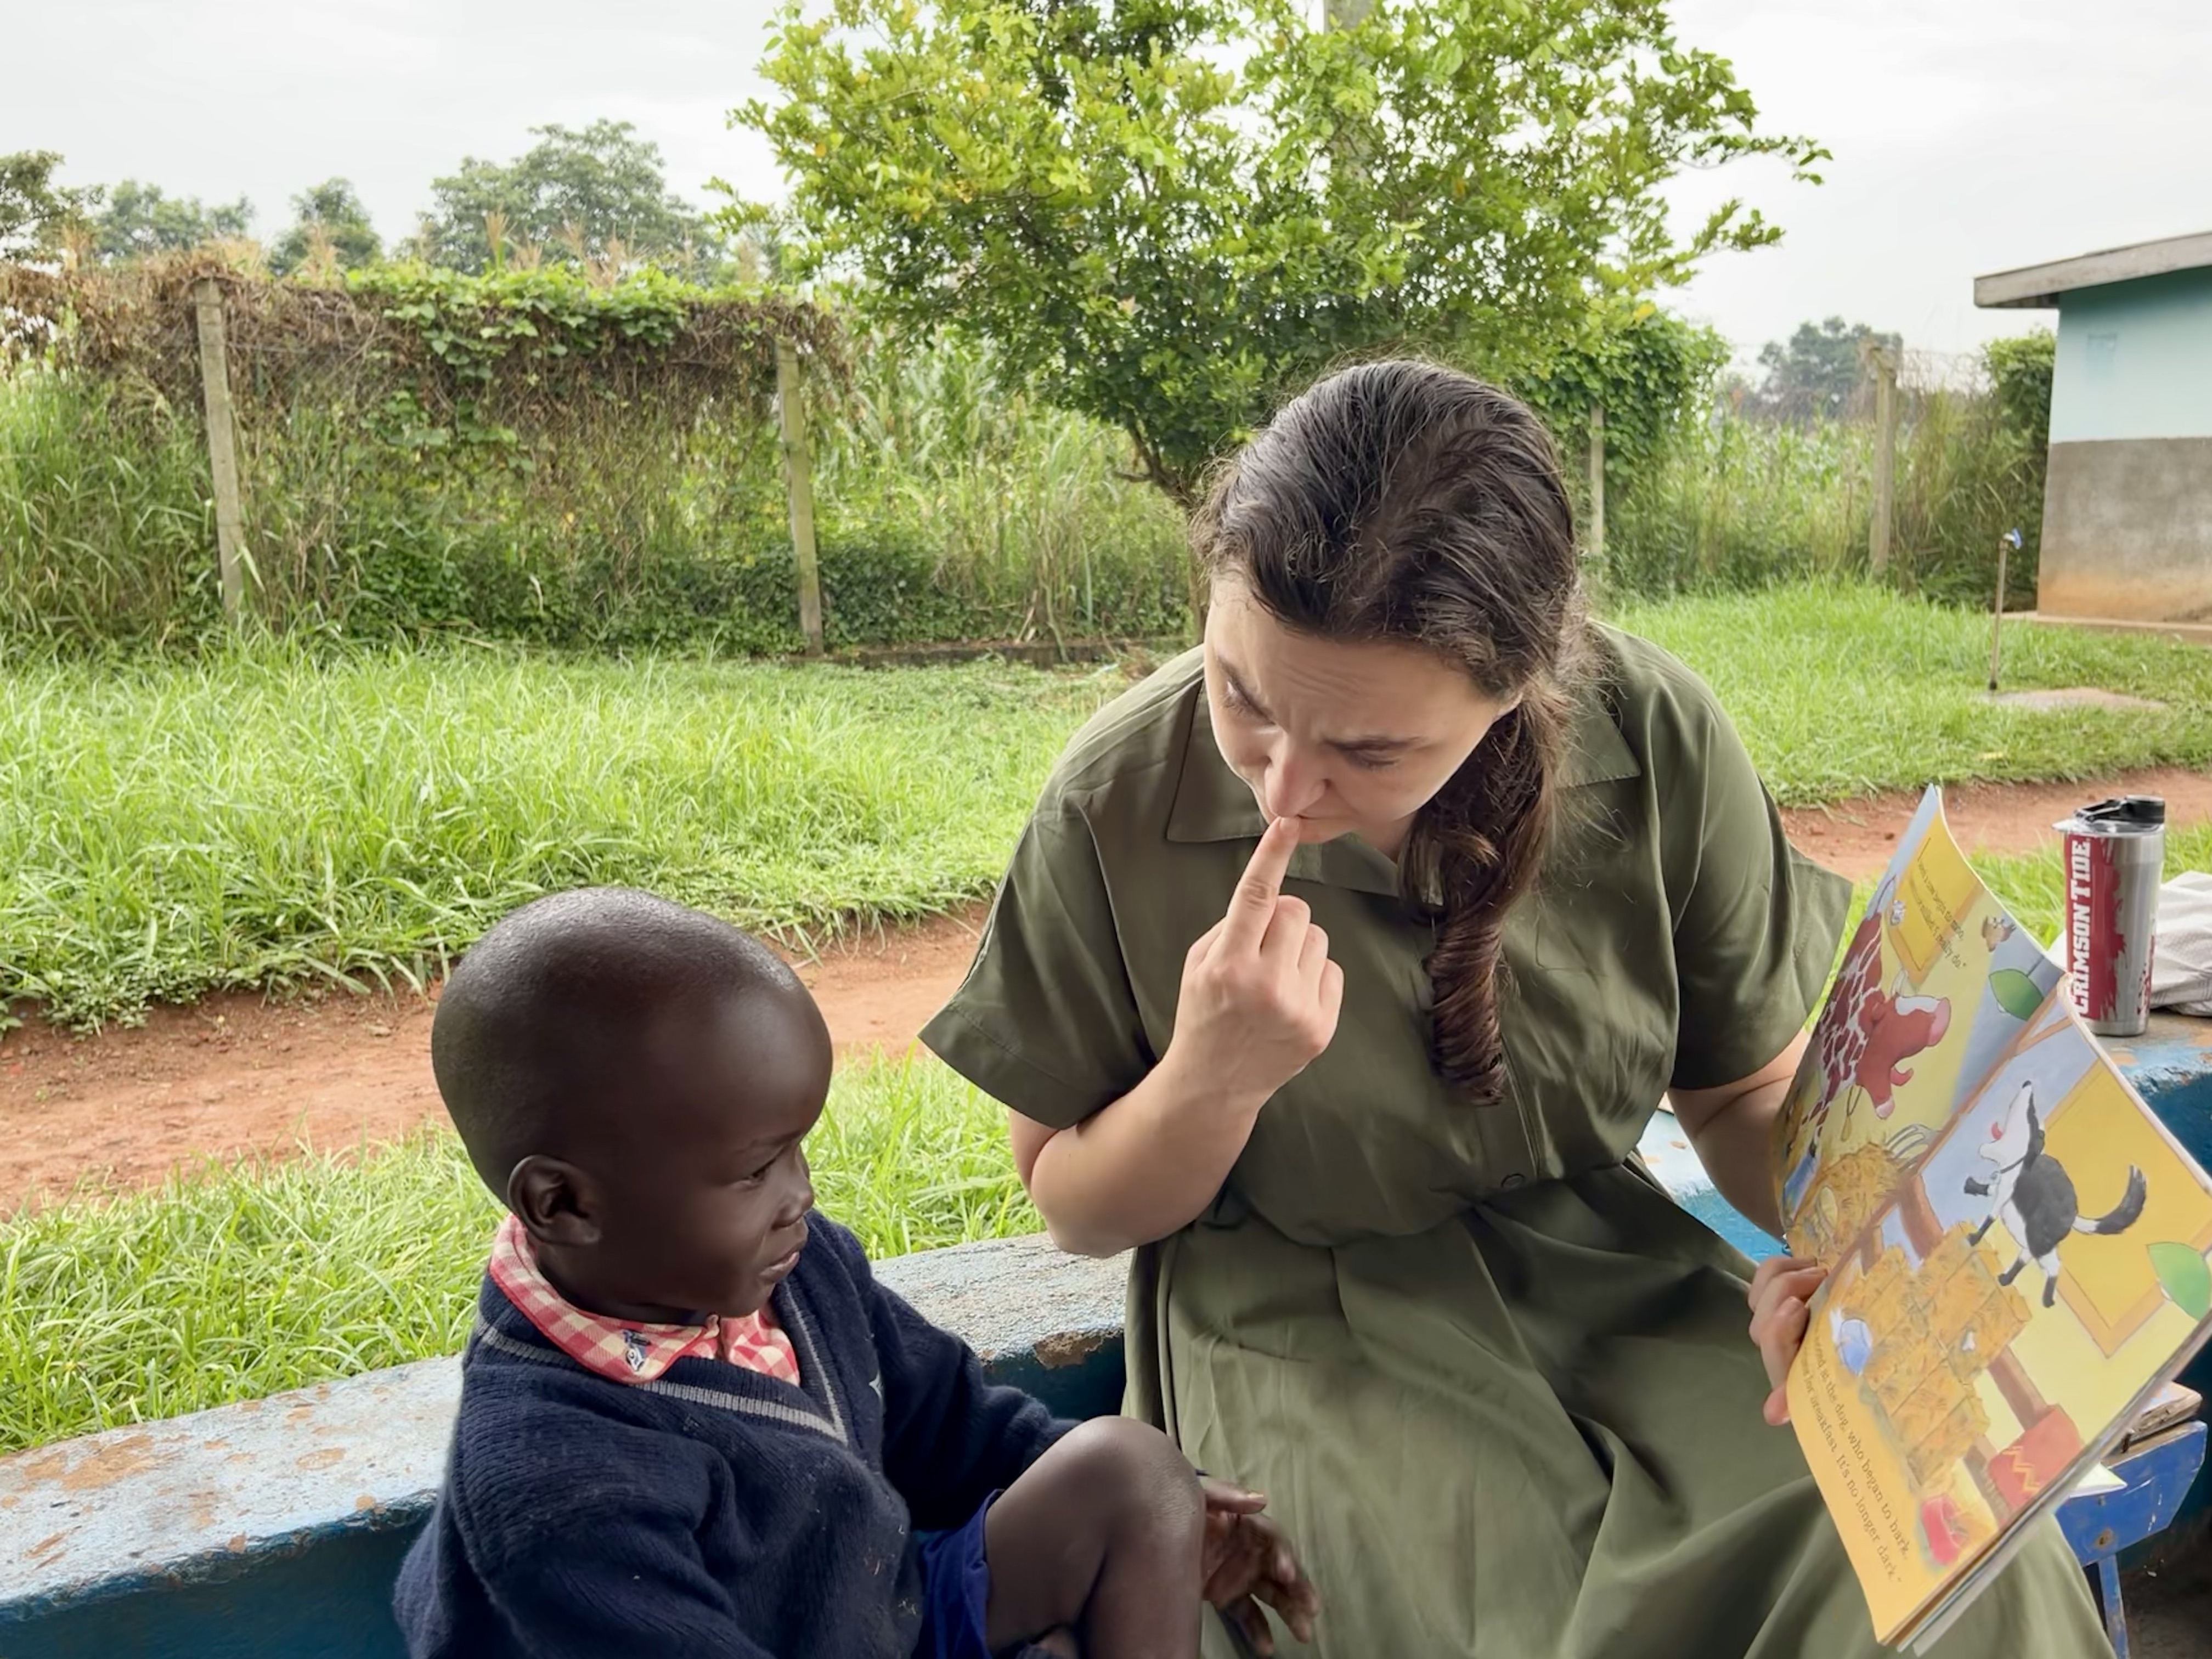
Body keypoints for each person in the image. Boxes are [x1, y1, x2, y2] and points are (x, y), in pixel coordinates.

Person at [919, 361, 2112, 1657]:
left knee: (1947, 1568)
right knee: (1521, 1611)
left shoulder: (1651, 735)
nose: (1284, 788)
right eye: (1243, 699)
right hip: (1300, 1328)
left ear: (1521, 687)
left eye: (1372, 754)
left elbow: (1735, 1097)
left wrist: (1884, 1245)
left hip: (1620, 1285)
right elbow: (1074, 1206)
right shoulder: (1115, 802)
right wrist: (1213, 1080)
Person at [393, 887, 1318, 1659]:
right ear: (565, 1206)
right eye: (756, 1169)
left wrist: (1189, 1520)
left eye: (798, 1149)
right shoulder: (555, 1483)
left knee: (1135, 1474)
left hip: (891, 1620)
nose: (798, 1194)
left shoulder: (787, 1268)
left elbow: (953, 1423)